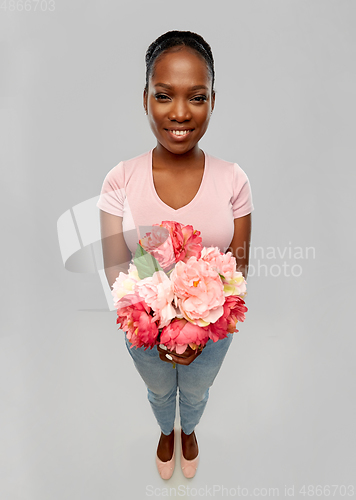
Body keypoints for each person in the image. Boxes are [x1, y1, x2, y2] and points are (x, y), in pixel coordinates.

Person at [96, 30, 254, 480]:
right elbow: (114, 265)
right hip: (143, 328)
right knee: (160, 391)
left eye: (196, 97)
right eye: (164, 95)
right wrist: (161, 327)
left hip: (214, 327)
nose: (180, 113)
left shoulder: (234, 178)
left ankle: (190, 430)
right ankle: (167, 430)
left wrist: (199, 328)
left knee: (198, 391)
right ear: (145, 97)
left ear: (212, 100)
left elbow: (238, 266)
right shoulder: (120, 179)